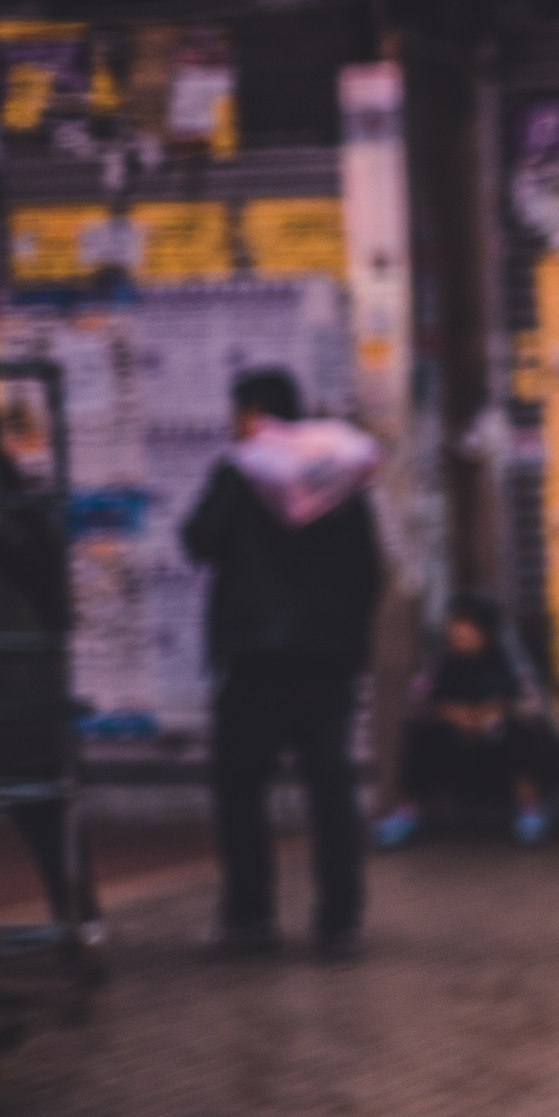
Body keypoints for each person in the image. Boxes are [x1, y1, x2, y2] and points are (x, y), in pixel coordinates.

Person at [180, 368, 384, 961]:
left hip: (255, 660)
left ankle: (250, 917)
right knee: (331, 789)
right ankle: (339, 922)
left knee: (241, 788)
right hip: (326, 662)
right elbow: (369, 571)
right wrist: (346, 641)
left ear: (253, 414)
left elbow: (199, 539)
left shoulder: (241, 471)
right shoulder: (340, 474)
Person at [0, 409, 94, 939]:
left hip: (10, 691)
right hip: (34, 692)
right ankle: (76, 922)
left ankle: (75, 922)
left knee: (43, 817)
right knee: (48, 820)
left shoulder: (11, 516)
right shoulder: (27, 510)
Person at [374, 595, 559, 847]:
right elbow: (414, 704)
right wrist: (447, 711)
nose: (458, 633)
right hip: (454, 746)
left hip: (497, 745)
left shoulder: (510, 661)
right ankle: (407, 814)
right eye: (454, 625)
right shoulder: (438, 661)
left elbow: (536, 706)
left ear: (485, 631)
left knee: (522, 732)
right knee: (421, 733)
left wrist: (500, 708)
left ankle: (529, 811)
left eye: (467, 626)